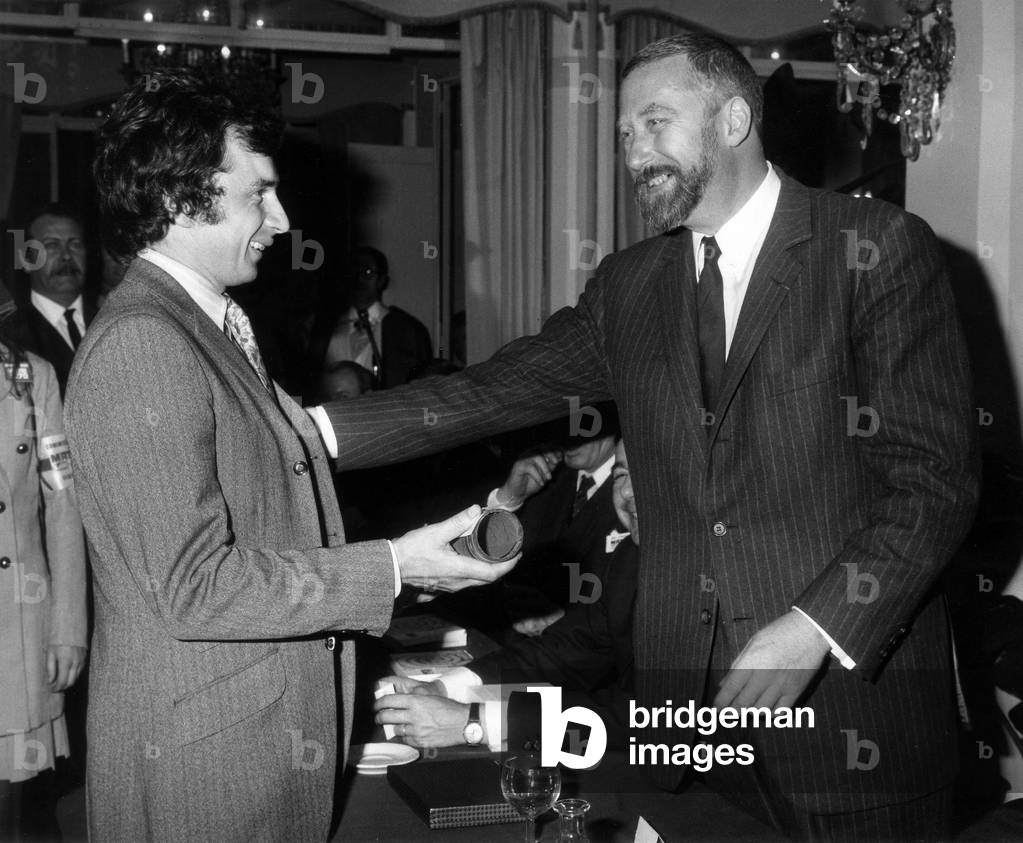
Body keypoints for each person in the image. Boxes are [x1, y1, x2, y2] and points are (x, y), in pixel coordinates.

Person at [312, 32, 979, 839]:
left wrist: (816, 627)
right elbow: (492, 388)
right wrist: (309, 432)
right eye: (624, 134)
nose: (633, 153)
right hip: (684, 745)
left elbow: (934, 481)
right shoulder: (630, 285)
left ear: (733, 119)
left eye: (656, 124)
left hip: (853, 732)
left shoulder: (871, 252)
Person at [65, 67, 515, 843]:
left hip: (253, 747)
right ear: (180, 199)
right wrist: (396, 565)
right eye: (257, 194)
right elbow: (194, 586)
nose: (279, 217)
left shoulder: (207, 327)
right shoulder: (145, 343)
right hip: (206, 772)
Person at [374, 438, 639, 751]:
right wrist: (445, 689)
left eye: (645, 477)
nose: (626, 493)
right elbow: (558, 654)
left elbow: (647, 721)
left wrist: (475, 723)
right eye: (622, 475)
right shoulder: (631, 557)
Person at [0, 329, 87, 840]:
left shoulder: (30, 375)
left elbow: (62, 503)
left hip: (19, 627)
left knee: (15, 815)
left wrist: (67, 626)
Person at [3, 203, 97, 396]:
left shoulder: (110, 319)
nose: (66, 256)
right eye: (51, 245)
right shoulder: (10, 338)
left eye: (75, 244)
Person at [312, 246, 432, 388]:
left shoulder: (408, 329)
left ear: (382, 280)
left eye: (367, 273)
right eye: (352, 273)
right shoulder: (326, 327)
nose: (358, 280)